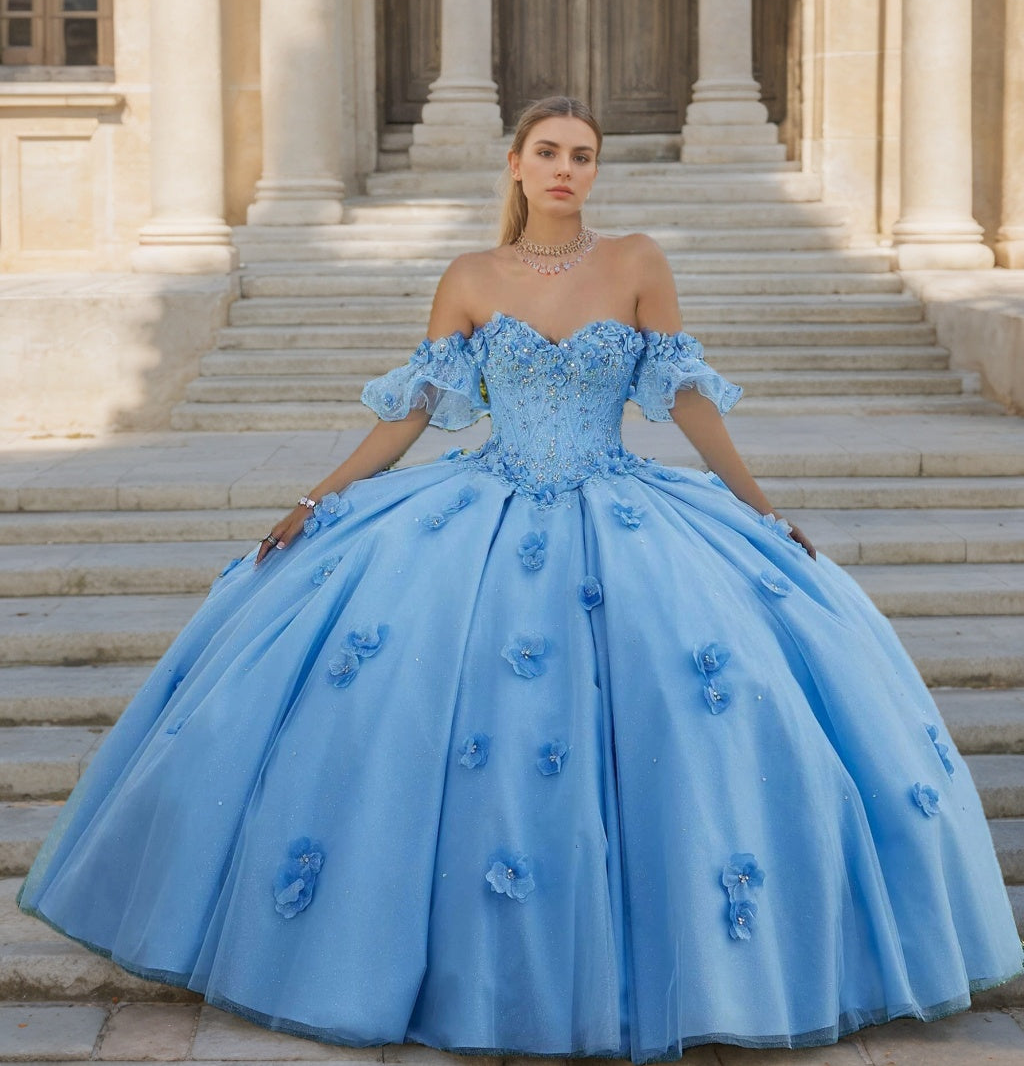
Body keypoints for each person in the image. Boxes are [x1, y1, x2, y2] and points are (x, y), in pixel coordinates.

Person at [17, 95, 1023, 1062]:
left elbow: (679, 397)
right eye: (548, 152)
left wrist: (760, 508)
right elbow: (413, 409)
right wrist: (316, 500)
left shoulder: (635, 263)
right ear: (515, 163)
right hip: (482, 512)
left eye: (582, 155)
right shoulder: (468, 275)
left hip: (617, 506)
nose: (566, 171)